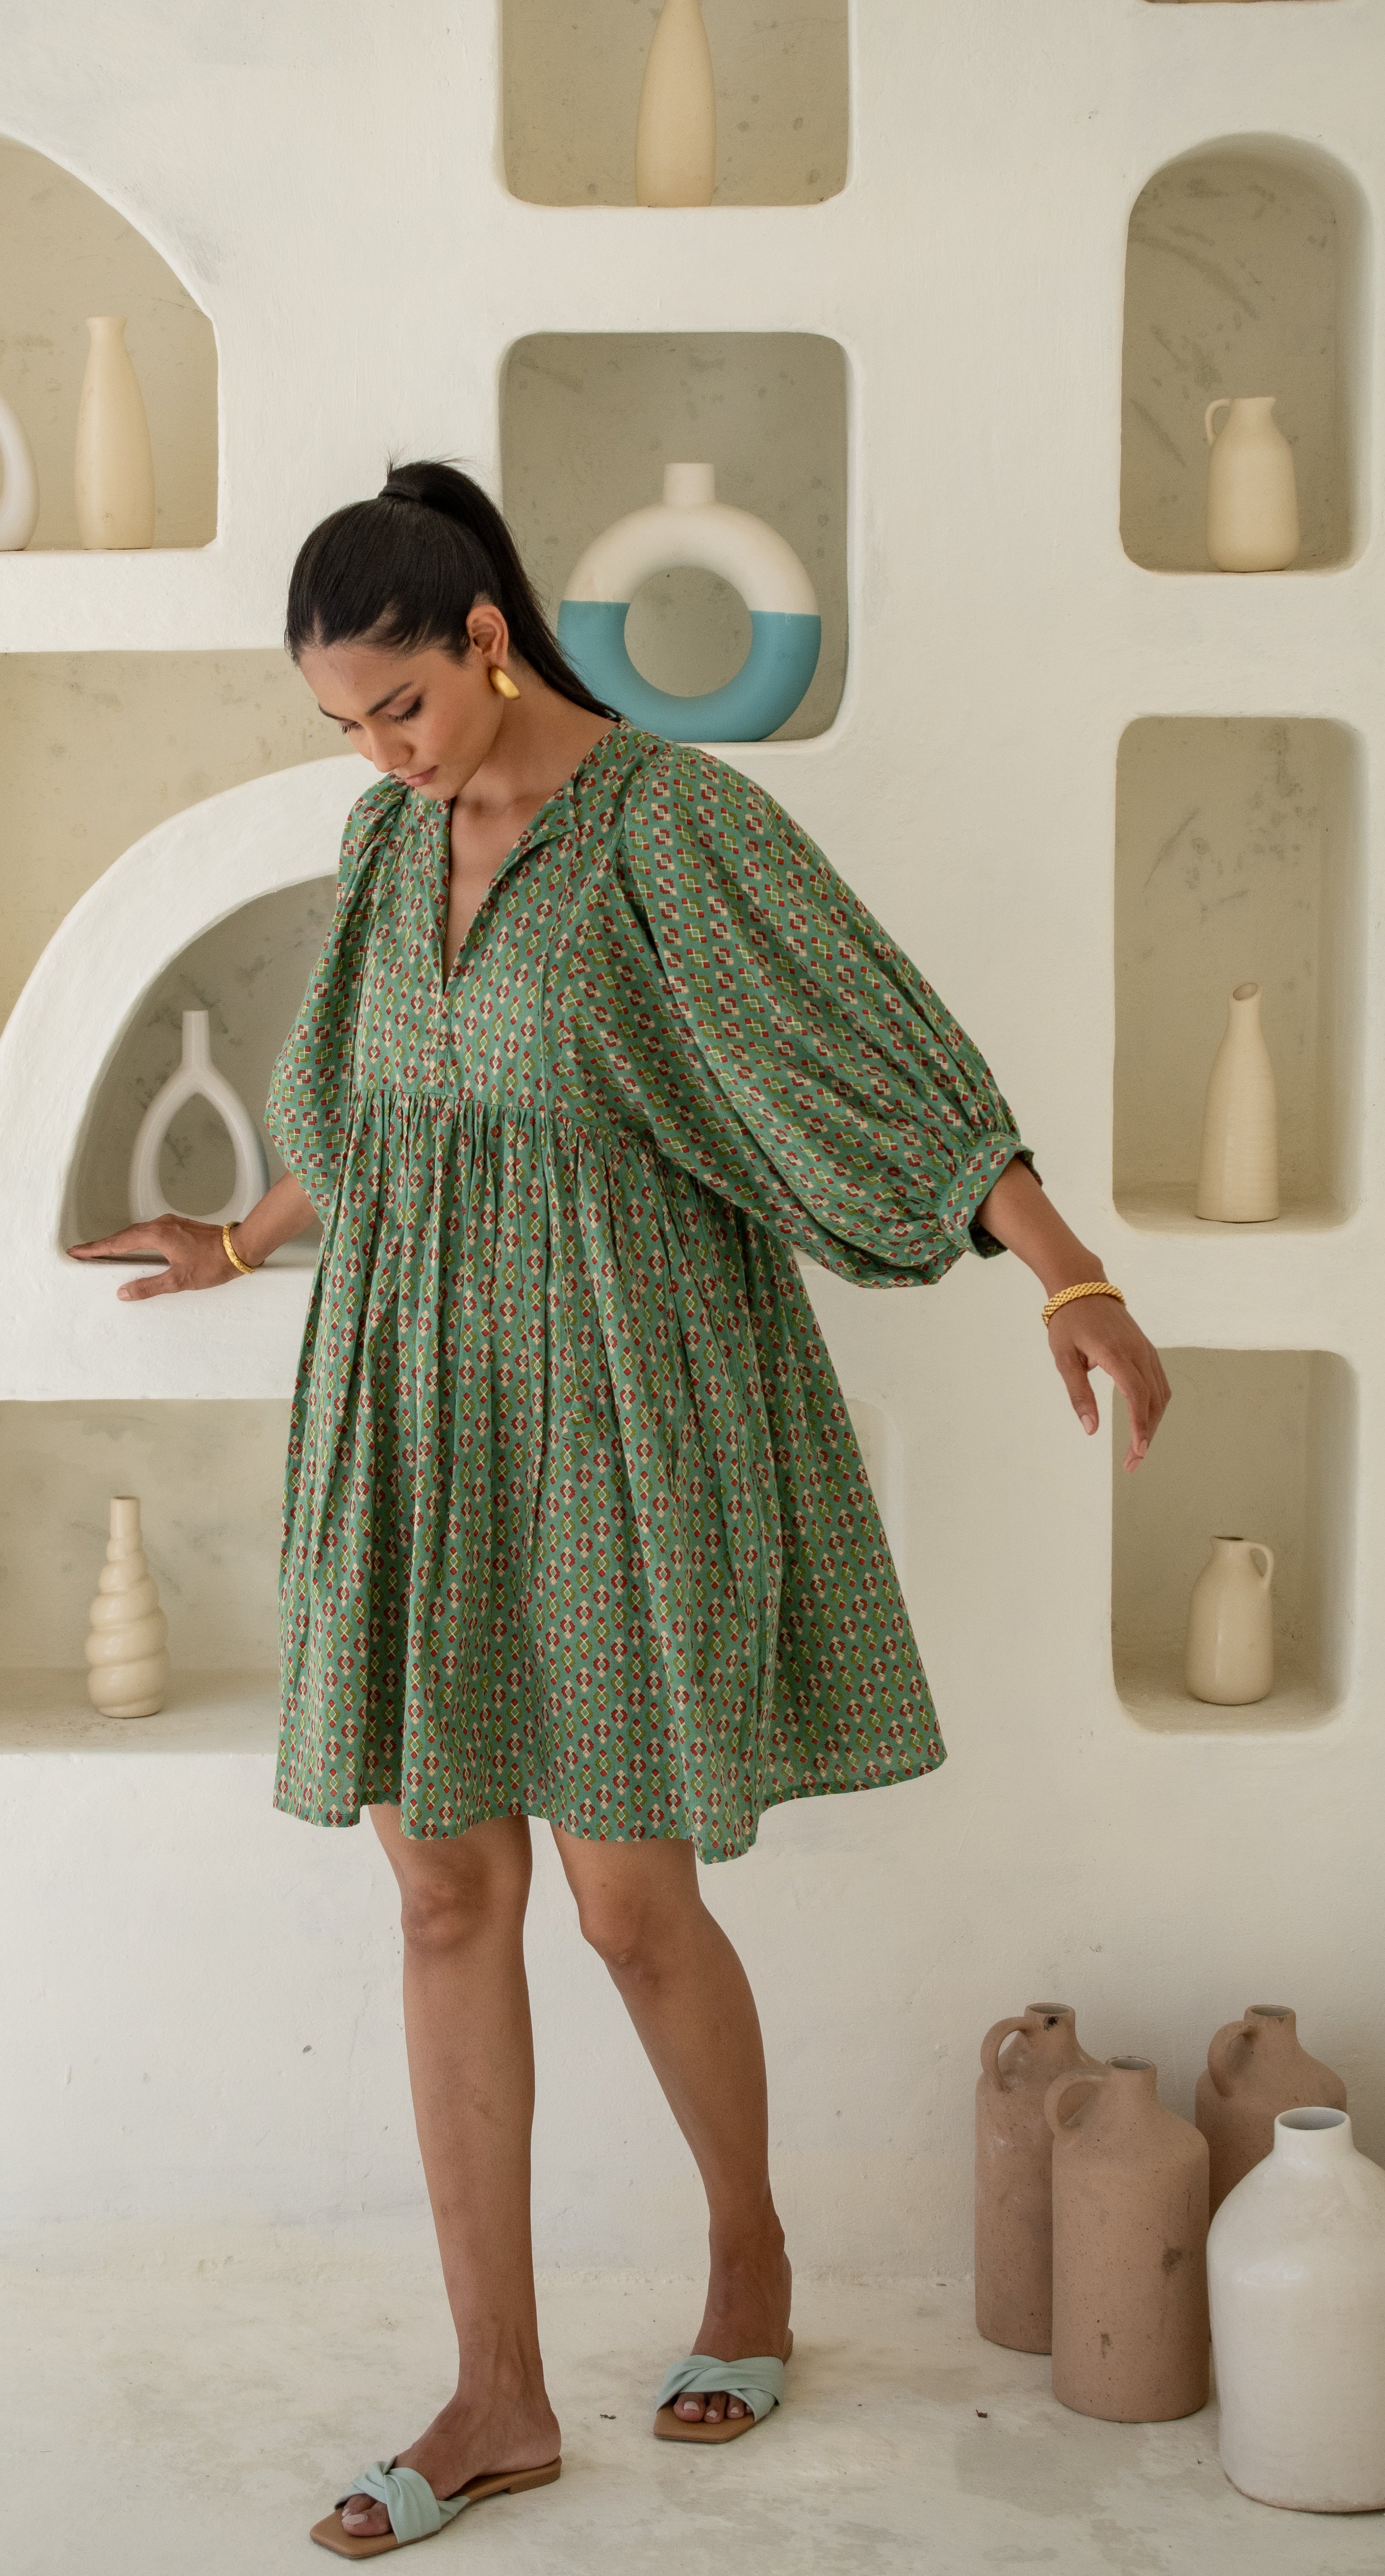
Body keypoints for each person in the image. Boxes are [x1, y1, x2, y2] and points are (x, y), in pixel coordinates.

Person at [69, 459, 1170, 2557]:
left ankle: (748, 2253)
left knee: (628, 1901)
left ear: (486, 640)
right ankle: (495, 2389)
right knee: (438, 1892)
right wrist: (241, 1238)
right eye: (342, 724)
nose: (379, 753)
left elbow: (878, 1052)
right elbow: (374, 1110)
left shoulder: (675, 827)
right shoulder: (388, 845)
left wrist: (1072, 1272)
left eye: (399, 705)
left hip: (611, 1394)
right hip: (410, 1387)